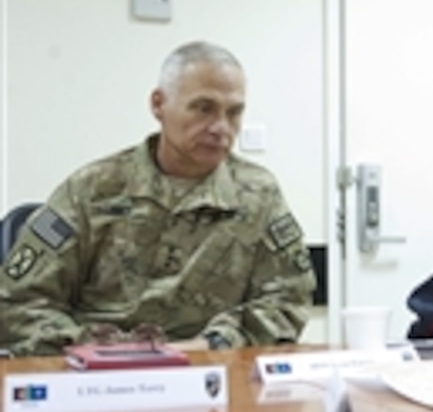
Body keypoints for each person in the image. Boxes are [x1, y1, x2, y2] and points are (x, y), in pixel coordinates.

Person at [0, 41, 315, 356]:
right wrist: (97, 349)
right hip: (95, 379)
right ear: (158, 104)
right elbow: (19, 302)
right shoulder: (93, 189)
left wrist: (212, 345)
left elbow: (288, 299)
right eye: (203, 108)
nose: (221, 127)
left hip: (210, 371)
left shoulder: (258, 194)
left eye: (234, 112)